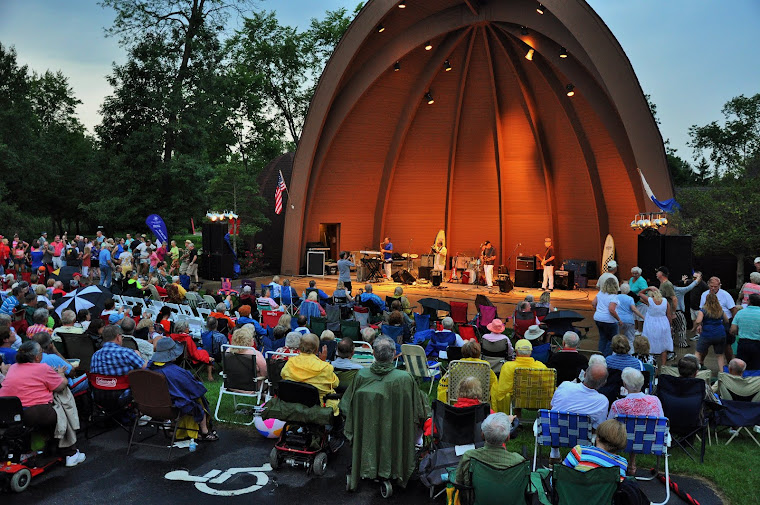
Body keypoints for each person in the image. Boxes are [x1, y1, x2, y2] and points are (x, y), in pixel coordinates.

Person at [340, 336, 429, 492]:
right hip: (394, 432)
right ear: (394, 353)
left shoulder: (361, 376)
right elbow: (420, 410)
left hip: (366, 430)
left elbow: (346, 407)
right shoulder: (404, 379)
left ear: (373, 353)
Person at [0, 341, 86, 466]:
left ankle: (46, 446)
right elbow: (61, 385)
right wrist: (61, 373)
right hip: (33, 412)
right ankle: (70, 453)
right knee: (62, 402)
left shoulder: (13, 368)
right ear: (37, 357)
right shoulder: (43, 368)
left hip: (9, 413)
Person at [147, 337, 218, 441]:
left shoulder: (148, 368)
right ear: (172, 353)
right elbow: (195, 389)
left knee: (178, 395)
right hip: (171, 407)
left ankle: (173, 428)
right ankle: (204, 431)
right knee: (198, 399)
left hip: (151, 405)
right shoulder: (176, 372)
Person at [453, 412, 523, 487]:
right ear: (507, 438)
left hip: (475, 498)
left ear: (482, 435)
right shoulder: (518, 461)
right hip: (508, 498)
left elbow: (458, 483)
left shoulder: (469, 457)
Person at [281, 333, 340, 413]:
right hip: (317, 408)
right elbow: (335, 383)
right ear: (316, 349)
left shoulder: (290, 362)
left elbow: (283, 376)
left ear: (300, 347)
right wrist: (322, 362)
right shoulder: (324, 367)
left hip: (293, 405)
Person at [563, 419, 628, 479]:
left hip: (573, 490)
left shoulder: (580, 451)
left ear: (597, 437)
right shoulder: (622, 465)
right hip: (603, 492)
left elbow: (559, 475)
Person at [551, 362, 610, 428]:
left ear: (584, 375)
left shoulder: (565, 385)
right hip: (580, 437)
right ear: (603, 383)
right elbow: (598, 427)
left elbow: (552, 406)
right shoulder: (602, 402)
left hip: (552, 434)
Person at [495, 339, 546, 409]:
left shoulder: (508, 366)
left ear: (516, 352)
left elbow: (503, 390)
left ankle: (516, 414)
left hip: (516, 401)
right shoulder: (541, 367)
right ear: (530, 352)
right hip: (537, 399)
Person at [700, 276, 739, 360]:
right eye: (711, 286)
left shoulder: (725, 295)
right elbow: (701, 309)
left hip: (723, 322)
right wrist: (700, 324)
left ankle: (730, 364)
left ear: (719, 286)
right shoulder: (704, 294)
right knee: (704, 344)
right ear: (708, 285)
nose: (713, 288)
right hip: (708, 322)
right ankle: (700, 363)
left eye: (715, 286)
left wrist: (733, 324)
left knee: (727, 345)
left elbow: (733, 309)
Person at [694, 292, 729, 370]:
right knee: (720, 355)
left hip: (707, 334)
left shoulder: (703, 310)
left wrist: (694, 327)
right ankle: (722, 374)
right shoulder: (720, 310)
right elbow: (726, 320)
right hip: (720, 334)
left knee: (698, 352)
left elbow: (698, 321)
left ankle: (693, 370)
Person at [639, 287, 672, 366]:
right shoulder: (665, 301)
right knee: (663, 345)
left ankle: (651, 364)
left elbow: (640, 293)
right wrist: (670, 326)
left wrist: (648, 288)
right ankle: (663, 365)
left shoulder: (650, 300)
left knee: (650, 343)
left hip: (651, 323)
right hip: (663, 323)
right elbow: (669, 315)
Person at [730, 293, 760, 370]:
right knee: (756, 368)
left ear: (749, 301)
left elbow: (733, 329)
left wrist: (739, 332)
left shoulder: (740, 313)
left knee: (741, 368)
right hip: (757, 344)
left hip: (743, 343)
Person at [592, 277, 621, 356]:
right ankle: (606, 356)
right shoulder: (614, 296)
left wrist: (598, 310)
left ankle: (600, 355)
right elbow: (611, 310)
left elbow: (593, 303)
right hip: (609, 320)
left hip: (598, 318)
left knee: (602, 338)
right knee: (612, 340)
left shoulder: (600, 293)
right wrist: (619, 319)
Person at [672, 272, 701, 347]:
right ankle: (683, 344)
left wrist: (682, 281)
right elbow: (689, 288)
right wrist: (696, 280)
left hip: (672, 312)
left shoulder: (672, 288)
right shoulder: (679, 290)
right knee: (682, 327)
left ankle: (671, 342)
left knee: (674, 328)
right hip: (678, 311)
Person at [616, 283, 644, 349]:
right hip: (629, 320)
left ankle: (616, 352)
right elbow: (634, 309)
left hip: (617, 319)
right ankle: (631, 353)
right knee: (630, 339)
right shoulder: (630, 298)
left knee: (616, 338)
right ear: (628, 291)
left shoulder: (615, 297)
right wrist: (642, 316)